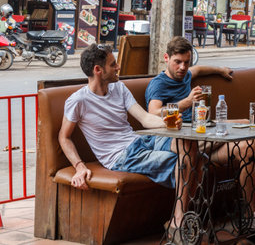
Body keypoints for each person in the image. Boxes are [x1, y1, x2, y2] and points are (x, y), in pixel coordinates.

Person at [58, 44, 200, 239]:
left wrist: (171, 124)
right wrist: (79, 166)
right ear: (98, 70)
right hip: (120, 156)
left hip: (141, 140)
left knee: (188, 144)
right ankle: (178, 219)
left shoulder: (119, 87)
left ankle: (178, 219)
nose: (118, 67)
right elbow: (63, 137)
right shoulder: (78, 100)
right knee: (188, 163)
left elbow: (144, 118)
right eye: (113, 64)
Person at [145, 36, 255, 213]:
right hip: (180, 136)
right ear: (166, 58)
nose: (182, 67)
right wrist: (186, 103)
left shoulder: (186, 74)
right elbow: (153, 112)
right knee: (244, 127)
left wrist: (220, 70)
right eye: (177, 62)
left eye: (186, 62)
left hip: (200, 130)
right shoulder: (158, 84)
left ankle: (252, 212)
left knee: (249, 143)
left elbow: (199, 70)